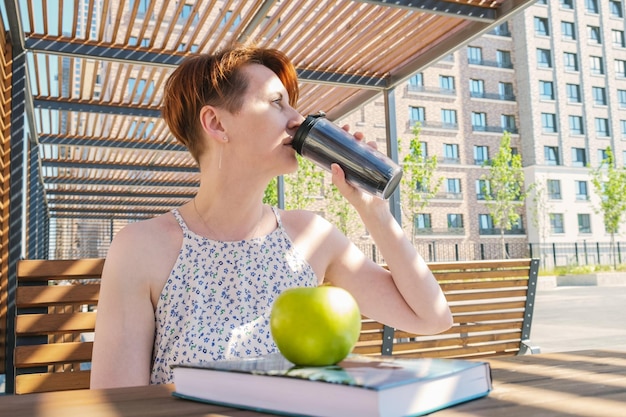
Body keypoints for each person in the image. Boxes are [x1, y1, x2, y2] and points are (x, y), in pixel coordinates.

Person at [90, 44, 452, 389]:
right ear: (216, 124)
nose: (298, 119)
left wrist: (374, 212)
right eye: (277, 103)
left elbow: (431, 318)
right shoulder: (141, 248)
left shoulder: (311, 236)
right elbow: (116, 401)